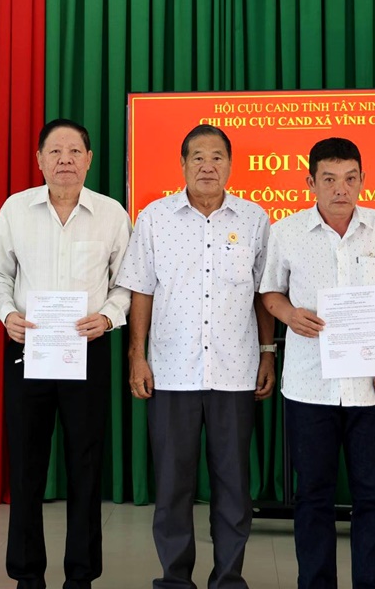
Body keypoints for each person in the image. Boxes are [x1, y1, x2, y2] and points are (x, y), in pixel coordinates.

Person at [117, 124, 275, 589]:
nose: (208, 166)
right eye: (198, 157)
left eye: (217, 157)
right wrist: (137, 356)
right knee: (172, 487)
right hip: (171, 373)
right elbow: (141, 290)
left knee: (233, 487)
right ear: (182, 164)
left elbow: (264, 293)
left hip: (235, 372)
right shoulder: (154, 218)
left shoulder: (254, 219)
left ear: (231, 164)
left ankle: (228, 580)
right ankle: (175, 580)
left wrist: (268, 354)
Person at [259, 137, 375, 589]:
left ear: (363, 180)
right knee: (312, 497)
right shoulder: (286, 231)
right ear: (310, 183)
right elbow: (269, 293)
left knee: (374, 498)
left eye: (349, 178)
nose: (340, 188)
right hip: (310, 388)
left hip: (372, 387)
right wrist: (289, 314)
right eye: (328, 179)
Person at [0, 119, 132, 589]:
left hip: (87, 349)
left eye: (74, 151)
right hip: (27, 348)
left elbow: (127, 282)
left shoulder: (111, 213)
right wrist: (6, 313)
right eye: (55, 151)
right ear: (40, 160)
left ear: (89, 159)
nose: (65, 159)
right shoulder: (16, 209)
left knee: (86, 466)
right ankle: (27, 575)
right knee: (26, 466)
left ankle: (81, 576)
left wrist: (107, 317)